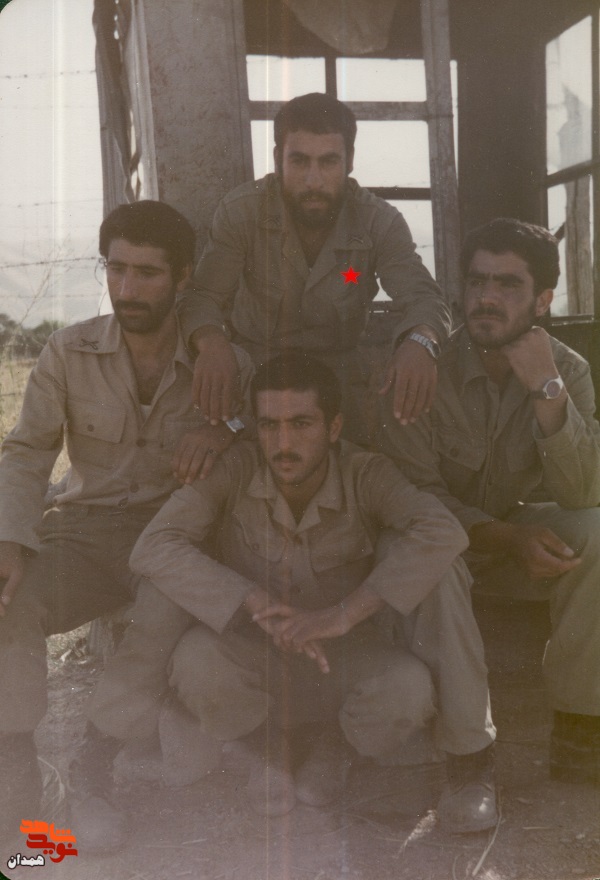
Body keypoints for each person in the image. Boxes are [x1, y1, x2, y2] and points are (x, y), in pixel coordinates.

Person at [70, 353, 497, 851]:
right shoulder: (235, 469)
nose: (284, 443)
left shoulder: (366, 474)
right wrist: (251, 600)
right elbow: (155, 546)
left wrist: (342, 616)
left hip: (345, 660)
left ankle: (463, 766)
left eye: (302, 424)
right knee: (186, 635)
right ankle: (109, 763)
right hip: (258, 656)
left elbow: (443, 531)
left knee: (421, 640)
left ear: (333, 427)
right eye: (270, 426)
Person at [0, 200, 253, 839]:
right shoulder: (69, 350)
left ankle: (94, 769)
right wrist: (8, 538)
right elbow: (27, 453)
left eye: (147, 273)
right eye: (116, 270)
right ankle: (16, 769)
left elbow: (260, 438)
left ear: (184, 278)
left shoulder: (223, 364)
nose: (128, 289)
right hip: (82, 532)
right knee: (7, 599)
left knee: (162, 612)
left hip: (172, 538)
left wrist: (224, 430)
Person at [382, 217, 600, 785]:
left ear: (543, 300)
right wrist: (510, 538)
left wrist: (545, 388)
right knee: (437, 554)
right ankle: (467, 754)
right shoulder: (427, 372)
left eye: (508, 284)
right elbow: (417, 500)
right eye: (477, 281)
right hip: (433, 548)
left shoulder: (566, 370)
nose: (486, 297)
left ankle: (581, 727)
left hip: (506, 544)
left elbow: (583, 493)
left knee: (597, 533)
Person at [181, 92, 451, 445]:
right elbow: (201, 297)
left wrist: (420, 341)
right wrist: (211, 342)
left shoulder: (378, 221)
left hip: (338, 377)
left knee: (359, 465)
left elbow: (424, 298)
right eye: (299, 161)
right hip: (258, 371)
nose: (313, 180)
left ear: (349, 161)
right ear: (278, 159)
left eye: (328, 162)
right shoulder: (242, 211)